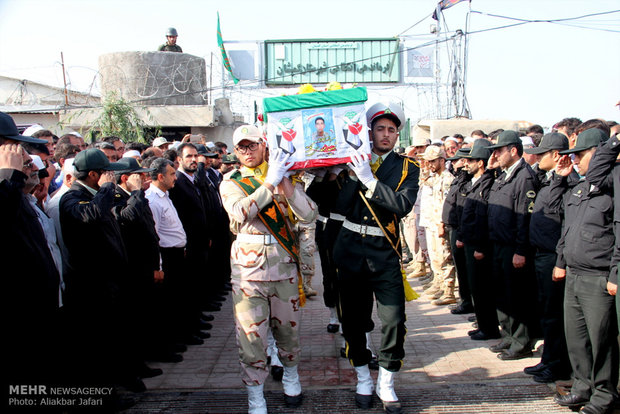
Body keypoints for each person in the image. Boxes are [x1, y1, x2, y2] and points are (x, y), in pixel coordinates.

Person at [219, 125, 317, 413]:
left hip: (283, 266)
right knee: (251, 337)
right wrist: (269, 184)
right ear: (236, 152)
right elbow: (239, 213)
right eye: (241, 147)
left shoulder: (285, 175)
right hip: (248, 273)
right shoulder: (232, 182)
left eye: (252, 145)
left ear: (264, 146)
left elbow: (309, 213)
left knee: (288, 332)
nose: (247, 152)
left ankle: (291, 376)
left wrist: (283, 180)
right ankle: (255, 396)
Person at [333, 102, 419, 412]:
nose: (385, 135)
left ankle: (386, 380)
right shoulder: (349, 162)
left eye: (391, 130)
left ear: (398, 134)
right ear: (369, 132)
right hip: (351, 250)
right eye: (380, 129)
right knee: (353, 320)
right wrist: (353, 175)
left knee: (394, 318)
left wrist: (369, 180)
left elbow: (402, 205)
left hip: (384, 252)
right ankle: (362, 378)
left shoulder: (409, 167)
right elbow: (339, 205)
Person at [59, 148, 144, 393]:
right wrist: (107, 188)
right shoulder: (73, 198)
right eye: (107, 173)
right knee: (98, 345)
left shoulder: (96, 195)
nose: (112, 178)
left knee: (113, 339)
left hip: (110, 282)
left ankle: (118, 386)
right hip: (92, 286)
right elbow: (91, 215)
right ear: (95, 174)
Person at [552, 128, 619, 414]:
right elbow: (565, 225)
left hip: (598, 277)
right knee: (577, 339)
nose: (575, 160)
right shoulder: (577, 188)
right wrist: (560, 261)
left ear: (599, 153)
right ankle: (582, 387)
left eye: (580, 154)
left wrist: (614, 275)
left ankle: (604, 395)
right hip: (574, 275)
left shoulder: (613, 184)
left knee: (601, 340)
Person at [1, 114, 61, 389]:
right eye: (14, 147)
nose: (24, 157)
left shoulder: (14, 190)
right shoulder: (7, 186)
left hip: (37, 311)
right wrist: (9, 176)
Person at [523, 133, 577, 383]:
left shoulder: (568, 182)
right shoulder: (549, 179)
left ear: (556, 156)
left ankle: (557, 365)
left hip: (554, 257)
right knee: (546, 311)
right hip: (541, 254)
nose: (536, 157)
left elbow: (566, 225)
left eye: (542, 153)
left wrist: (560, 262)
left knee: (555, 315)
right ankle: (548, 360)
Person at [486, 130, 540, 360]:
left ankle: (521, 342)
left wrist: (520, 250)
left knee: (517, 296)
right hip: (498, 244)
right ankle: (508, 336)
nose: (495, 155)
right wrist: (491, 169)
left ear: (513, 150)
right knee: (502, 295)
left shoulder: (524, 176)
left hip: (513, 247)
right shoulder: (503, 174)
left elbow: (523, 217)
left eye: (498, 150)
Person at [168, 143, 213, 344]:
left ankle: (196, 322)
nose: (194, 160)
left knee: (197, 286)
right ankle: (189, 330)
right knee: (188, 290)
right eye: (189, 156)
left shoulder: (192, 180)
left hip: (200, 242)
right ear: (179, 159)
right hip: (188, 244)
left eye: (196, 156)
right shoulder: (177, 182)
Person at [145, 158, 187, 363]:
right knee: (166, 306)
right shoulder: (152, 200)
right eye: (171, 174)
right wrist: (158, 266)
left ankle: (174, 341)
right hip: (166, 257)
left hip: (177, 255)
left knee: (176, 301)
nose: (175, 177)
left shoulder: (165, 196)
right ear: (160, 176)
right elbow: (154, 235)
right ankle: (163, 349)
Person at [459, 139, 501, 341]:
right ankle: (483, 323)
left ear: (481, 163)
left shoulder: (488, 182)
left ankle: (489, 328)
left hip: (479, 245)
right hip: (470, 242)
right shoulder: (476, 181)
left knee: (483, 289)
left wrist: (481, 246)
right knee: (476, 287)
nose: (467, 163)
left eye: (472, 160)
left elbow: (485, 218)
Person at [420, 145, 457, 306]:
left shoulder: (448, 179)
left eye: (432, 161)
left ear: (442, 160)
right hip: (433, 223)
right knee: (436, 257)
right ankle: (441, 285)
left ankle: (449, 290)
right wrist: (426, 170)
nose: (430, 164)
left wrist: (443, 224)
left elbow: (447, 205)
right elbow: (424, 182)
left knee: (445, 257)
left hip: (442, 224)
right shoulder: (435, 177)